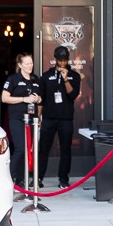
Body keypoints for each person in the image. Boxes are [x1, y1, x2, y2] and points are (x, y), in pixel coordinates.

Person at [39, 46, 82, 189]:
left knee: (65, 149)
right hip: (49, 118)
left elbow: (73, 95)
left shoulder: (74, 76)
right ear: (55, 59)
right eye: (60, 60)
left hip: (66, 118)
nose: (63, 63)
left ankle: (63, 179)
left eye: (65, 60)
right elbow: (41, 98)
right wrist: (38, 118)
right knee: (44, 148)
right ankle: (39, 177)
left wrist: (65, 79)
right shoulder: (46, 76)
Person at [1, 52, 42, 197]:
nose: (30, 66)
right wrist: (24, 99)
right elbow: (5, 98)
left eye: (31, 63)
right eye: (26, 63)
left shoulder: (36, 79)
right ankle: (10, 179)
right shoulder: (13, 79)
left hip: (32, 119)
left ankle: (22, 181)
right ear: (20, 65)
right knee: (20, 148)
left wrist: (37, 99)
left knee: (29, 150)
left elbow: (41, 98)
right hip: (17, 118)